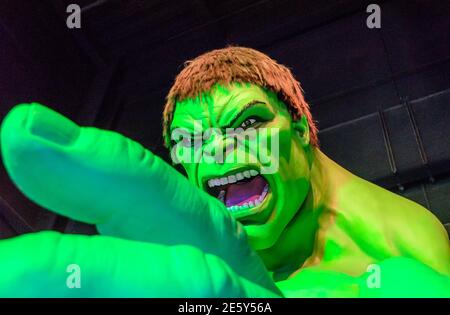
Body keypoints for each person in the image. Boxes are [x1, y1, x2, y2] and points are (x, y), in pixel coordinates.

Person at [0, 47, 448, 297]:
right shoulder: (195, 252)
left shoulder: (394, 238)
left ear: (297, 125)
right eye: (190, 141)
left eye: (248, 122)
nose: (215, 151)